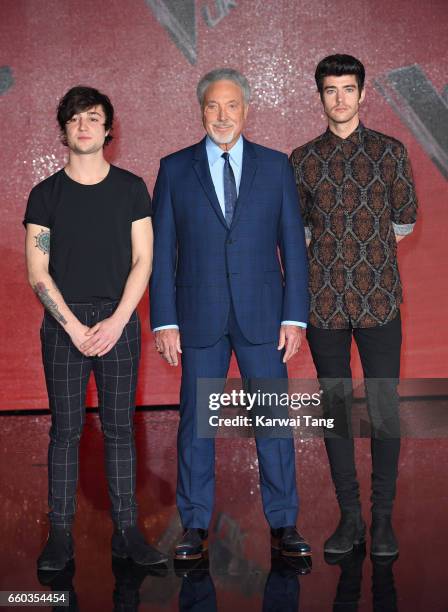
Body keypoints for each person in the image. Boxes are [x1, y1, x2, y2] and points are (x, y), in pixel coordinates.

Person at [150, 68, 311, 560]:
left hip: (265, 317)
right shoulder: (175, 169)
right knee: (196, 425)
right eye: (213, 107)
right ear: (202, 110)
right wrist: (165, 320)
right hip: (198, 318)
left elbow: (293, 248)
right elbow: (162, 252)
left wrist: (295, 317)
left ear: (246, 109)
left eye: (232, 106)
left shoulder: (276, 166)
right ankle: (194, 526)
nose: (222, 116)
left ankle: (284, 524)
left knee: (274, 422)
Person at [24, 86, 167, 570]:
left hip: (119, 322)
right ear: (63, 130)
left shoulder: (131, 188)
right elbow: (38, 272)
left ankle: (128, 531)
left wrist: (117, 320)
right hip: (63, 327)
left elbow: (144, 259)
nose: (83, 126)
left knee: (119, 430)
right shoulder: (44, 195)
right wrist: (71, 326)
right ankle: (59, 535)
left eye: (93, 118)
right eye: (75, 119)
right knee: (65, 432)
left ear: (108, 130)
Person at [290, 54, 418, 556]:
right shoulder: (301, 160)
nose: (340, 98)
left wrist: (366, 254)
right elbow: (298, 233)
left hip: (380, 303)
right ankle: (350, 518)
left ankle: (383, 519)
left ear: (363, 94)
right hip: (323, 306)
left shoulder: (391, 152)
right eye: (330, 90)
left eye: (348, 89)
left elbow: (404, 222)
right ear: (319, 96)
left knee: (384, 409)